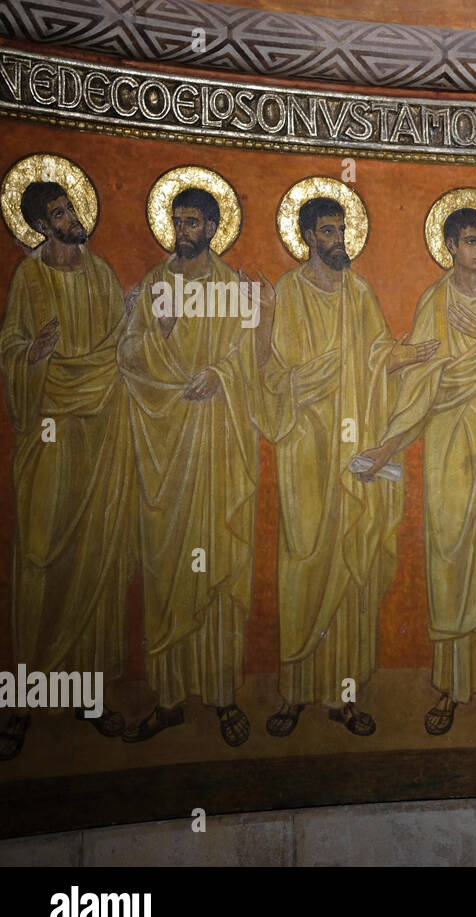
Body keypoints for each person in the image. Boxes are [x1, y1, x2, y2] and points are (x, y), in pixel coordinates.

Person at [358, 202, 476, 736]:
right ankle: (454, 689)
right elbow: (419, 374)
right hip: (447, 446)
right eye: (469, 241)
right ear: (449, 247)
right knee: (452, 557)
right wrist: (390, 443)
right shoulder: (434, 301)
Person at [262, 193, 430, 738]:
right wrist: (327, 371)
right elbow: (276, 374)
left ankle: (345, 696)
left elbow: (377, 352)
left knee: (352, 564)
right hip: (306, 449)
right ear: (309, 236)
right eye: (329, 232)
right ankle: (296, 694)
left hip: (354, 443)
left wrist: (405, 355)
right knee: (305, 558)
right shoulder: (288, 292)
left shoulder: (358, 292)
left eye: (342, 231)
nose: (339, 242)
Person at [117, 181, 273, 747]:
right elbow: (127, 357)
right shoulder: (156, 286)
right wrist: (155, 336)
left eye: (193, 222)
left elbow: (247, 356)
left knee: (218, 563)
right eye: (177, 221)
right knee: (168, 569)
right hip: (166, 450)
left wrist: (222, 375)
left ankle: (224, 695)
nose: (183, 231)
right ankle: (168, 698)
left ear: (211, 227)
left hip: (219, 446)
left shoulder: (233, 287)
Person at [0, 175, 136, 759]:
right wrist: (30, 355)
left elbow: (118, 346)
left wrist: (138, 323)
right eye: (59, 212)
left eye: (72, 206)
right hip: (51, 433)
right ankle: (23, 700)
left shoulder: (101, 272)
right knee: (40, 557)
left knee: (95, 559)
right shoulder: (29, 278)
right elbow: (9, 347)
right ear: (40, 224)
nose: (72, 216)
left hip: (102, 429)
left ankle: (91, 695)